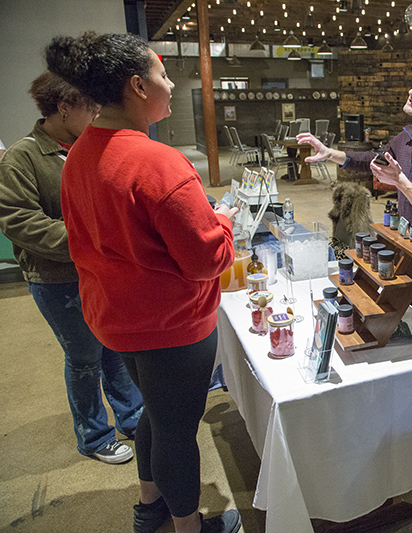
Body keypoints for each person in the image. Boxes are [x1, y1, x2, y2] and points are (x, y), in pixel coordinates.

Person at [45, 32, 241, 533]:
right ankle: (187, 526)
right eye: (162, 74)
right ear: (137, 85)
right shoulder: (158, 162)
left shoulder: (80, 153)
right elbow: (206, 259)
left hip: (117, 318)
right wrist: (223, 221)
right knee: (177, 431)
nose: (171, 83)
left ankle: (149, 505)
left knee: (154, 414)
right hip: (172, 326)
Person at [0, 71, 143, 464]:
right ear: (63, 107)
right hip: (57, 276)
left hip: (98, 270)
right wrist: (88, 237)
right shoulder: (23, 155)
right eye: (90, 108)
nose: (97, 115)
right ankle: (94, 436)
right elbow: (18, 220)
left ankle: (131, 416)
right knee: (83, 357)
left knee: (112, 345)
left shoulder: (88, 147)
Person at [298, 58, 412, 337]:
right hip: (403, 263)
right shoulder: (407, 137)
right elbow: (373, 159)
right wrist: (331, 154)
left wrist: (400, 182)